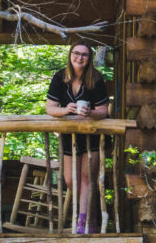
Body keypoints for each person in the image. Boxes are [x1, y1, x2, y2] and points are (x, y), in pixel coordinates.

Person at [45, 43, 111, 233]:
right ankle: (90, 217)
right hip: (70, 136)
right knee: (69, 180)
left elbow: (103, 110)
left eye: (84, 55)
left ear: (89, 59)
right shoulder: (60, 77)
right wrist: (66, 110)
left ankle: (82, 221)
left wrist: (90, 112)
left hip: (93, 135)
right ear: (70, 54)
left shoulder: (96, 79)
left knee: (86, 178)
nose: (79, 58)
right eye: (76, 53)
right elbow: (50, 108)